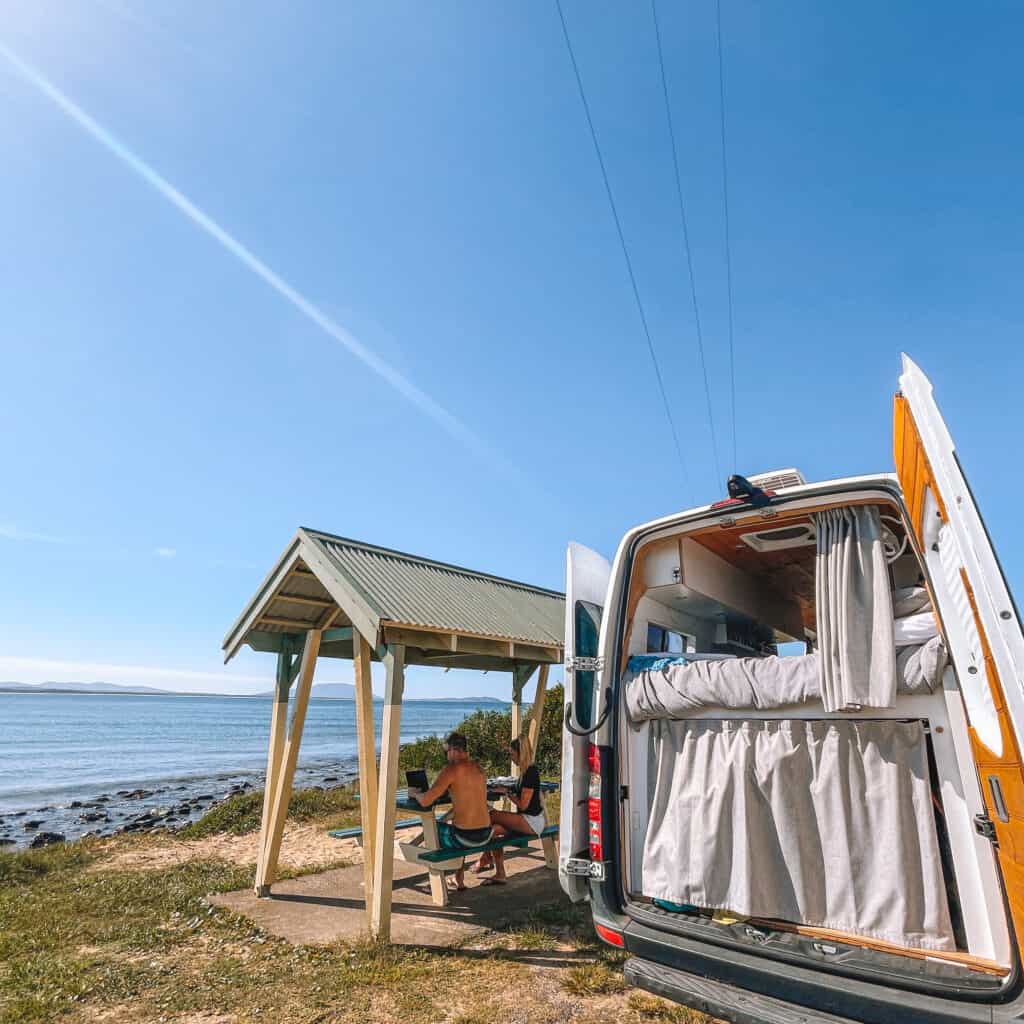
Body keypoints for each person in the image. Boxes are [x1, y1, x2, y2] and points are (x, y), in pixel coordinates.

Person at [412, 732, 492, 890]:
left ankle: (437, 885)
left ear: (454, 750)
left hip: (465, 838)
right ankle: (458, 879)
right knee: (457, 825)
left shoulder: (452, 769)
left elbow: (426, 800)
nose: (446, 756)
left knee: (433, 829)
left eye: (446, 751)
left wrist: (415, 794)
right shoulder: (478, 767)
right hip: (486, 835)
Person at [475, 734, 545, 885]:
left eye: (512, 754)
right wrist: (507, 788)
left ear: (520, 753)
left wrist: (507, 793)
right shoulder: (524, 771)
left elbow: (523, 805)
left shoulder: (530, 773)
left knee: (491, 815)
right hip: (526, 821)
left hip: (532, 822)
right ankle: (500, 874)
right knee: (493, 830)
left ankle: (484, 856)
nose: (511, 758)